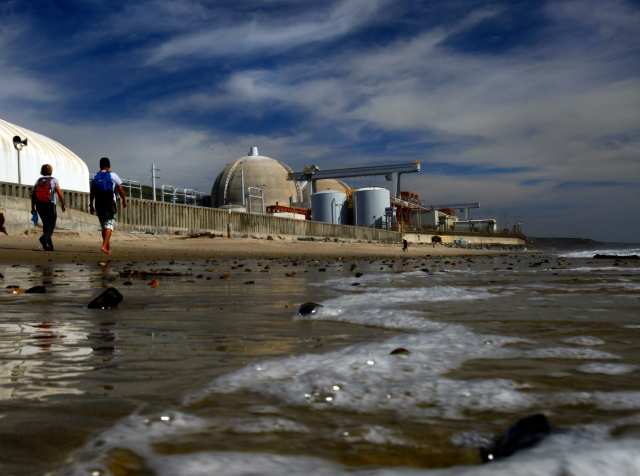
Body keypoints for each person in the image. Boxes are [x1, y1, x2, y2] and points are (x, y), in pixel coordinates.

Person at [89, 157, 126, 255]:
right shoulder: (113, 175)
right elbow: (121, 189)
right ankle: (104, 246)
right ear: (109, 165)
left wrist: (91, 205)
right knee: (109, 225)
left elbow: (92, 192)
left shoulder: (96, 177)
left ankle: (107, 247)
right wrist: (124, 200)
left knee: (103, 226)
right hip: (109, 203)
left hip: (98, 203)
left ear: (100, 166)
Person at [31, 164, 65, 251]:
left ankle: (49, 245)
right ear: (51, 171)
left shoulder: (38, 181)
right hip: (50, 204)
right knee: (52, 225)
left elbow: (33, 195)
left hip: (39, 205)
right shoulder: (53, 180)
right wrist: (63, 204)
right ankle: (44, 238)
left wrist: (33, 208)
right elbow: (59, 193)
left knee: (46, 224)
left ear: (42, 171)